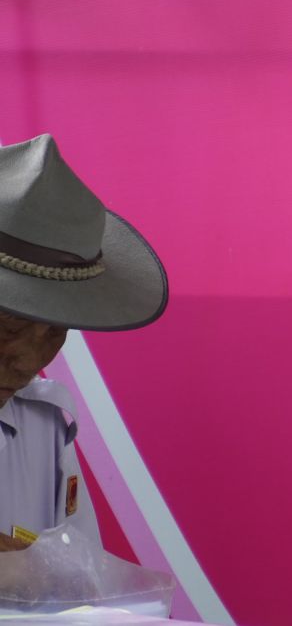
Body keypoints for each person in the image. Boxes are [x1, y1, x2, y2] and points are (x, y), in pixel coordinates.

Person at [0, 134, 169, 550]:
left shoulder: (43, 427)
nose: (28, 361)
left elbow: (79, 574)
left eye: (56, 330)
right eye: (10, 327)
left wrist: (40, 575)